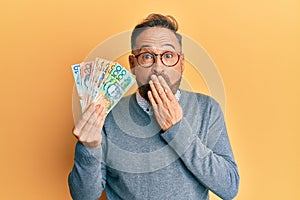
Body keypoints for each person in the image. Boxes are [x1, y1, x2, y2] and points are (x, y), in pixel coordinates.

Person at [68, 13, 240, 200]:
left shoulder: (207, 109)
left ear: (181, 64)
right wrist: (88, 148)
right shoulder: (107, 114)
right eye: (147, 56)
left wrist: (177, 129)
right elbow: (84, 196)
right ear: (133, 65)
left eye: (168, 55)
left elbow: (229, 187)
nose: (158, 67)